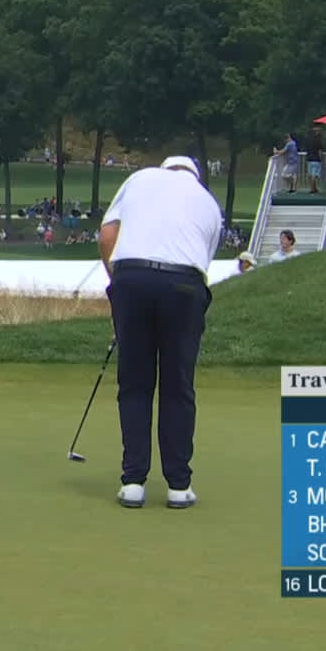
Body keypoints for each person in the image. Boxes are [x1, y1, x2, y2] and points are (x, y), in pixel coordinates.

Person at [97, 156, 223, 510]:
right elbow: (201, 264)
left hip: (131, 278)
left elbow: (107, 235)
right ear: (195, 176)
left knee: (135, 383)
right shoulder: (209, 204)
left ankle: (133, 482)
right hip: (184, 285)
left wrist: (117, 287)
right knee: (178, 385)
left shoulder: (139, 179)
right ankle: (178, 487)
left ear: (166, 169)